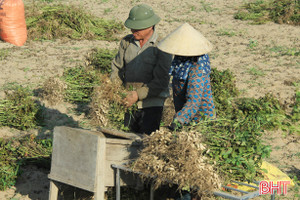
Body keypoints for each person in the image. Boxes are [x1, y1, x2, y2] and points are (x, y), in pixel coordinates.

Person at [111, 4, 172, 135]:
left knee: (144, 141)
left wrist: (137, 95)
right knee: (125, 139)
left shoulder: (162, 46)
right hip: (127, 101)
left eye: (138, 28)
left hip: (151, 104)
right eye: (132, 28)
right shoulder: (126, 42)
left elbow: (161, 81)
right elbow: (117, 68)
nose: (133, 31)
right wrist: (116, 90)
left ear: (150, 26)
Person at [157, 23, 216, 132]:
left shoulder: (197, 69)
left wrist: (179, 120)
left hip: (200, 121)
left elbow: (194, 101)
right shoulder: (180, 63)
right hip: (186, 118)